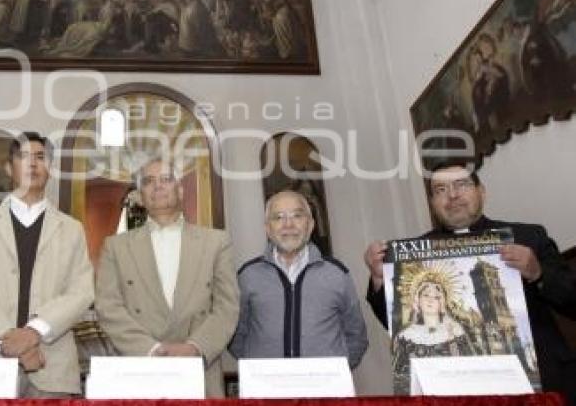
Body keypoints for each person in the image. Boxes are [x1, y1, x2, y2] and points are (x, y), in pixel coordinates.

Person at [364, 160, 576, 401]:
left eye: (461, 185)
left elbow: (571, 300)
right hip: (457, 390)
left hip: (545, 384)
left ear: (481, 192)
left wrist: (539, 274)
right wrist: (380, 280)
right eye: (441, 190)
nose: (452, 196)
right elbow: (401, 323)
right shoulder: (413, 254)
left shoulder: (529, 236)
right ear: (433, 203)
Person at [0, 132, 94, 397]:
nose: (33, 164)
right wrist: (6, 341)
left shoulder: (72, 229)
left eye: (40, 157)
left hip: (52, 368)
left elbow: (81, 291)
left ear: (49, 168)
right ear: (9, 168)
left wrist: (33, 333)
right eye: (24, 157)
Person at [95, 157, 239, 397]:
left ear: (180, 190)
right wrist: (151, 350)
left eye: (166, 179)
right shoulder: (115, 246)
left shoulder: (216, 242)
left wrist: (194, 348)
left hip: (199, 371)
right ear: (140, 196)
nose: (158, 186)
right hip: (138, 368)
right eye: (149, 182)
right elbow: (108, 306)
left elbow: (227, 307)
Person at [229, 190, 368, 367]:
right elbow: (234, 335)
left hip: (324, 388)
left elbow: (356, 335)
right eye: (278, 217)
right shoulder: (248, 276)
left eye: (297, 215)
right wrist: (257, 365)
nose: (288, 225)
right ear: (267, 229)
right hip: (267, 387)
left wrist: (335, 371)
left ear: (310, 225)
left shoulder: (337, 274)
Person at [391, 273, 477, 391]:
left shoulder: (456, 331)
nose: (430, 300)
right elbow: (398, 376)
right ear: (418, 300)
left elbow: (471, 368)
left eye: (436, 297)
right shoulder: (406, 336)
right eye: (426, 295)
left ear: (442, 303)